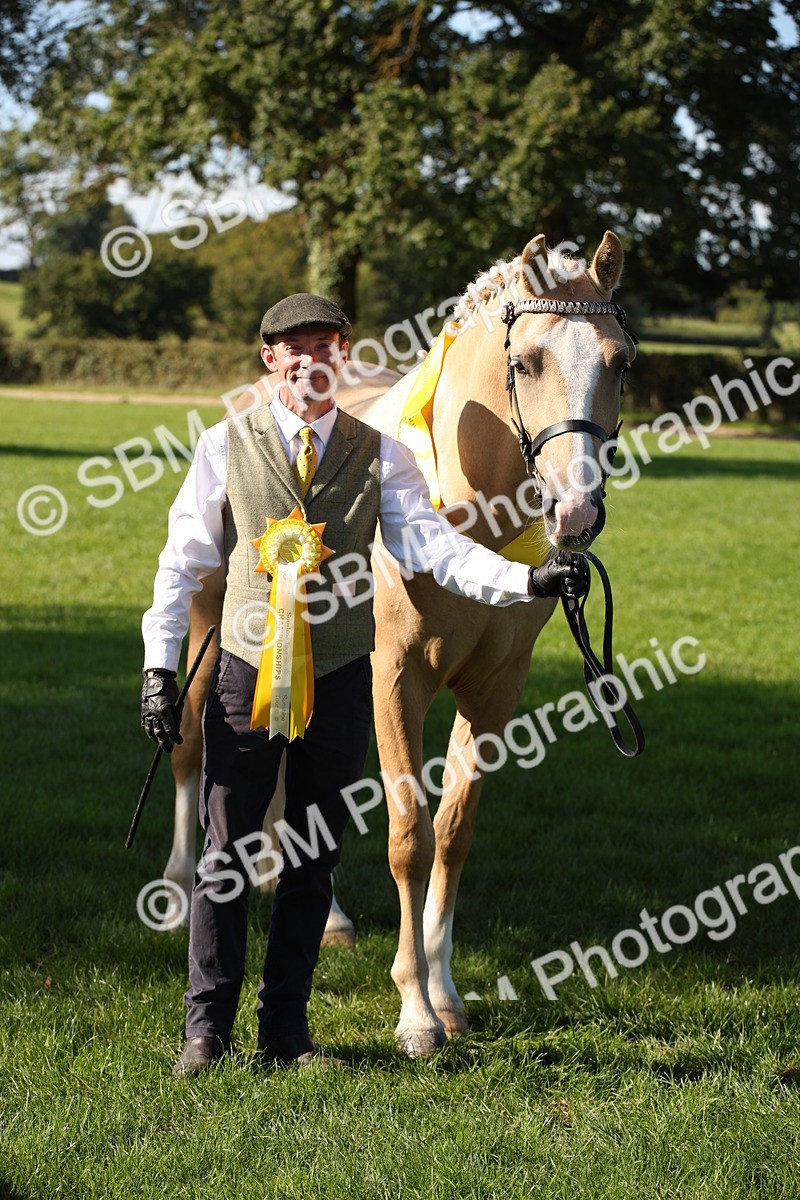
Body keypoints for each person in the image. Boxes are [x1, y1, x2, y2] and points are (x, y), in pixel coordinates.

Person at [141, 292, 582, 1077]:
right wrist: (158, 667)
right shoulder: (222, 444)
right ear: (270, 359)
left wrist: (529, 579)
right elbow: (182, 564)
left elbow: (436, 550)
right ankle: (205, 1032)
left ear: (341, 357)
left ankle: (286, 1032)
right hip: (244, 677)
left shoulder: (382, 454)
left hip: (343, 678)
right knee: (225, 857)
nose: (310, 360)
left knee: (313, 860)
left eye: (325, 345)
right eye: (294, 347)